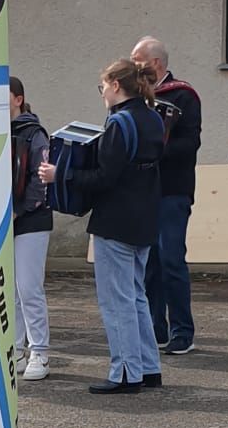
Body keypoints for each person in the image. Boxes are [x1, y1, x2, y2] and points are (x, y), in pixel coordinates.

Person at [40, 58, 165, 395]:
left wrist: (60, 174)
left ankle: (125, 372)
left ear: (115, 85)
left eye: (103, 87)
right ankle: (148, 367)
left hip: (115, 220)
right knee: (136, 295)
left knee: (116, 300)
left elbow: (104, 178)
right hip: (145, 218)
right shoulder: (153, 118)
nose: (103, 94)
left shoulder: (119, 124)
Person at [131, 35, 202, 355]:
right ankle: (155, 330)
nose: (133, 66)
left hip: (173, 189)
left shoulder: (183, 95)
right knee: (149, 264)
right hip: (144, 190)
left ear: (155, 63)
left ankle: (182, 332)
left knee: (171, 259)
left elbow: (191, 143)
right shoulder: (136, 96)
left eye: (137, 60)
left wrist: (155, 148)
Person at [9, 76, 52, 380]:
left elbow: (40, 177)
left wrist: (19, 209)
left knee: (28, 287)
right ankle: (15, 349)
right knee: (10, 290)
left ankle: (40, 352)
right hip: (6, 221)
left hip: (31, 219)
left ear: (18, 99)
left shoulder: (34, 133)